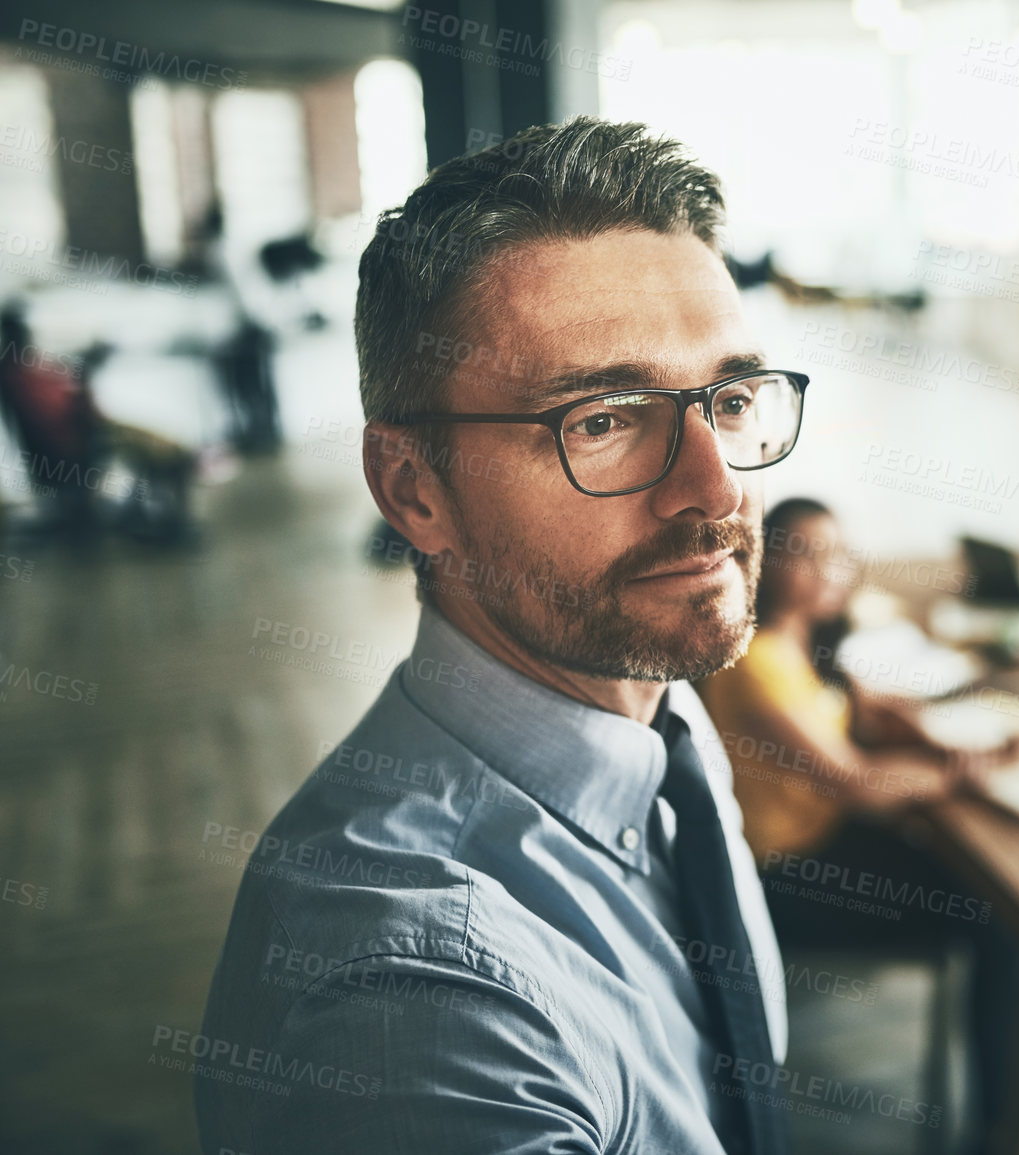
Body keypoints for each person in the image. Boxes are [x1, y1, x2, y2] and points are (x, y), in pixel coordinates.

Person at [198, 119, 812, 1155]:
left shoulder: (661, 724)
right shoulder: (419, 1008)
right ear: (411, 488)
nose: (716, 489)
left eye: (733, 398)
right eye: (604, 419)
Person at [699, 496, 999, 865]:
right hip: (789, 862)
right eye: (806, 554)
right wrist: (963, 774)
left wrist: (932, 737)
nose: (828, 570)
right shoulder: (757, 662)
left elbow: (873, 702)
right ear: (766, 559)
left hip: (827, 832)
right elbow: (858, 784)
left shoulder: (806, 643)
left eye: (838, 554)